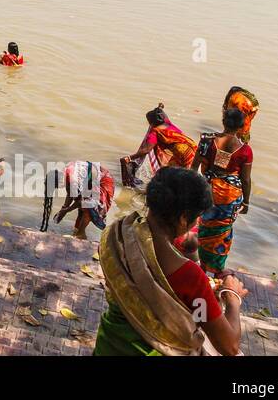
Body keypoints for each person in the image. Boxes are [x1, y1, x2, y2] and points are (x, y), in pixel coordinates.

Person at [95, 167, 246, 356]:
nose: (197, 223)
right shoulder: (190, 277)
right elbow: (229, 347)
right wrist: (232, 298)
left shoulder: (117, 234)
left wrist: (203, 298)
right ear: (183, 219)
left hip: (109, 344)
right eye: (197, 217)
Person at [194, 106, 254, 275]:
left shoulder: (206, 141)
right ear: (241, 126)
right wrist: (246, 202)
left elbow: (193, 169)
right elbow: (246, 180)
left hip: (207, 191)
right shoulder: (245, 150)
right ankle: (218, 270)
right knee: (222, 233)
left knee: (205, 228)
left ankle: (202, 267)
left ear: (223, 122)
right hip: (229, 197)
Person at [122, 102, 197, 185]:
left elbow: (146, 150)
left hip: (184, 155)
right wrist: (159, 108)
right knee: (174, 172)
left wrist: (129, 158)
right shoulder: (168, 123)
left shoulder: (155, 132)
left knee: (181, 178)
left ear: (152, 123)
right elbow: (163, 115)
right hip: (190, 149)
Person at [42, 160, 116, 238]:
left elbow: (81, 202)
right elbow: (71, 193)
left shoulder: (72, 180)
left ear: (59, 181)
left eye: (57, 187)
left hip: (104, 182)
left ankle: (81, 234)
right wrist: (63, 209)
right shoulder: (66, 172)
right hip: (93, 182)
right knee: (82, 204)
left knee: (88, 206)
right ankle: (77, 231)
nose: (58, 188)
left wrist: (66, 211)